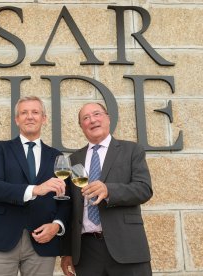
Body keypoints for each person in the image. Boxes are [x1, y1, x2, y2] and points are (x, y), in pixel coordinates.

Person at [0, 96, 71, 276]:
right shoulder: (1, 148)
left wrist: (57, 225)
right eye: (24, 113)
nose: (30, 117)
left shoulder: (56, 156)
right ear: (16, 120)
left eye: (35, 112)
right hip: (1, 236)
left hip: (42, 242)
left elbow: (65, 200)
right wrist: (35, 189)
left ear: (44, 118)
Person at [61, 102, 153, 276]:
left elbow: (144, 189)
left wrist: (109, 190)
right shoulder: (73, 159)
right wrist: (67, 251)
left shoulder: (132, 150)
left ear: (108, 118)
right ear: (81, 126)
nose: (92, 120)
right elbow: (70, 209)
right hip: (86, 252)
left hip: (127, 247)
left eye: (97, 114)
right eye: (85, 118)